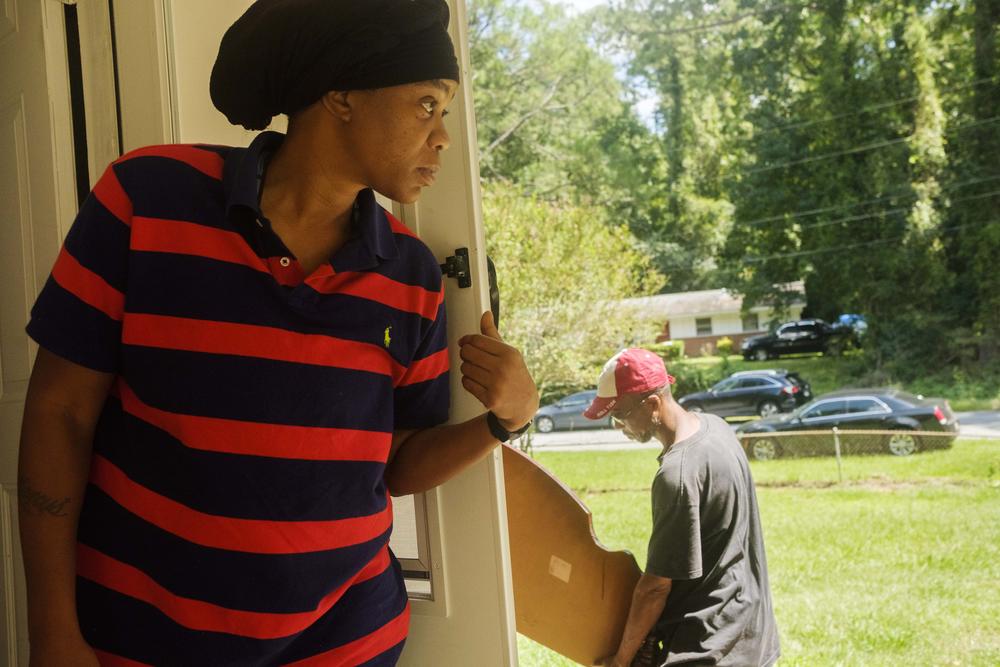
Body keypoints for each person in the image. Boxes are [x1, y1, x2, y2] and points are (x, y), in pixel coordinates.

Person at [17, 1, 538, 665]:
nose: (443, 136)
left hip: (346, 644)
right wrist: (52, 630)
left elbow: (396, 463)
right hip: (139, 638)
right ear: (342, 94)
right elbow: (59, 415)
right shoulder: (147, 200)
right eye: (427, 104)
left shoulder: (412, 277)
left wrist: (502, 422)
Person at [585, 349, 779, 667]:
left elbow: (655, 587)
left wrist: (621, 660)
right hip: (751, 634)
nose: (618, 425)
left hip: (707, 648)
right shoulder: (717, 427)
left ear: (652, 403)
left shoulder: (677, 475)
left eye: (619, 414)